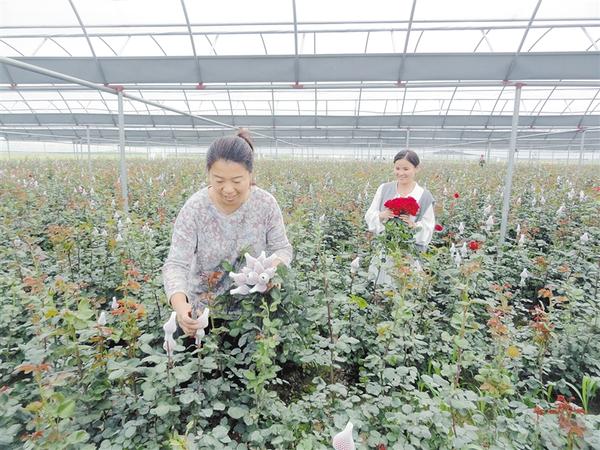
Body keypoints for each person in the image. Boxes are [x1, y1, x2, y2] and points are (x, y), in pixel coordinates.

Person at [162, 129, 293, 336]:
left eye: (237, 181)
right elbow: (176, 264)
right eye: (219, 180)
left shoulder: (265, 204)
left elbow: (282, 249)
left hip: (252, 315)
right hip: (202, 316)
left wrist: (268, 271)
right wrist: (181, 307)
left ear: (250, 174)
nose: (228, 189)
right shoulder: (195, 208)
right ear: (208, 174)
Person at [364, 150, 435, 285]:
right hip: (385, 251)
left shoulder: (424, 196)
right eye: (397, 168)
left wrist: (413, 226)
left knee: (405, 287)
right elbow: (369, 215)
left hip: (409, 255)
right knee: (382, 287)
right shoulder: (384, 189)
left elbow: (428, 227)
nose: (401, 173)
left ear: (416, 169)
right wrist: (381, 215)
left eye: (406, 169)